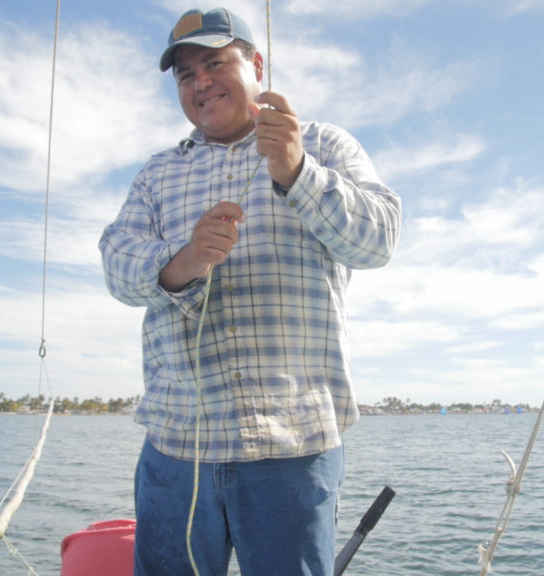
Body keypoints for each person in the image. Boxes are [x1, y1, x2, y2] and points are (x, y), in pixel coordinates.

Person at [99, 7, 401, 576]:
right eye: (186, 75)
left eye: (215, 62)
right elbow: (116, 263)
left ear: (256, 64)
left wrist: (297, 171)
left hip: (293, 446)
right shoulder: (156, 174)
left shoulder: (324, 145)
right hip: (175, 450)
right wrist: (183, 259)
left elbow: (379, 239)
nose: (200, 82)